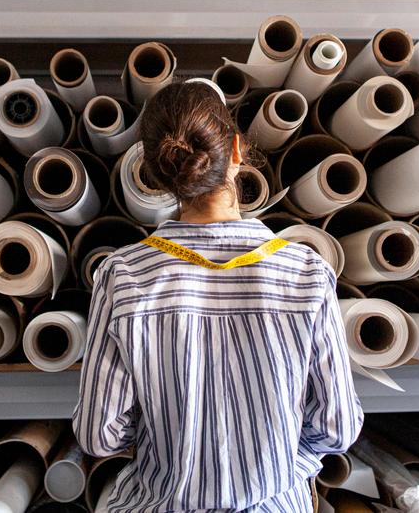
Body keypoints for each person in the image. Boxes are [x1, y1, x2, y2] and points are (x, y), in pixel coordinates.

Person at [73, 80, 363, 513]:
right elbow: (336, 428)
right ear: (237, 152)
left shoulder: (124, 276)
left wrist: (170, 439)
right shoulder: (306, 274)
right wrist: (279, 466)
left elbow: (100, 434)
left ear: (155, 173)